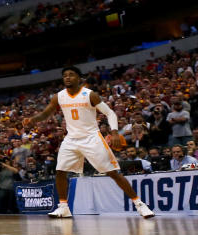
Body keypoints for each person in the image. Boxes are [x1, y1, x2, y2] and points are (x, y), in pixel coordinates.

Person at [23, 66, 155, 219]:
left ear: (79, 78)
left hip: (92, 138)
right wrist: (33, 119)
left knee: (113, 173)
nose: (67, 78)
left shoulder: (89, 95)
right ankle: (63, 207)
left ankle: (140, 204)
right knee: (60, 171)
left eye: (71, 75)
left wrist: (114, 132)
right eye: (65, 75)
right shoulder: (59, 96)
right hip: (71, 139)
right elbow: (46, 113)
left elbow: (109, 113)